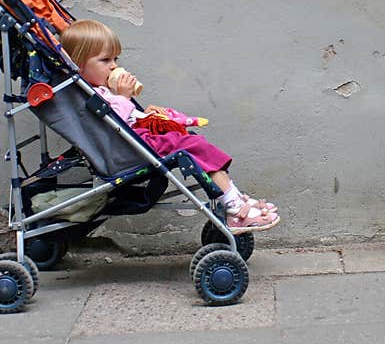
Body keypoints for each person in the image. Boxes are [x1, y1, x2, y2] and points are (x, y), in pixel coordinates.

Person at [59, 19, 280, 234]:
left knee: (193, 143)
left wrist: (145, 114)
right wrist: (124, 97)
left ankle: (231, 197)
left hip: (136, 141)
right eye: (105, 60)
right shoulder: (90, 95)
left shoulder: (101, 90)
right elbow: (111, 121)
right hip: (129, 151)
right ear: (79, 64)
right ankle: (233, 206)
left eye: (115, 58)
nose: (114, 65)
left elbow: (123, 119)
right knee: (191, 145)